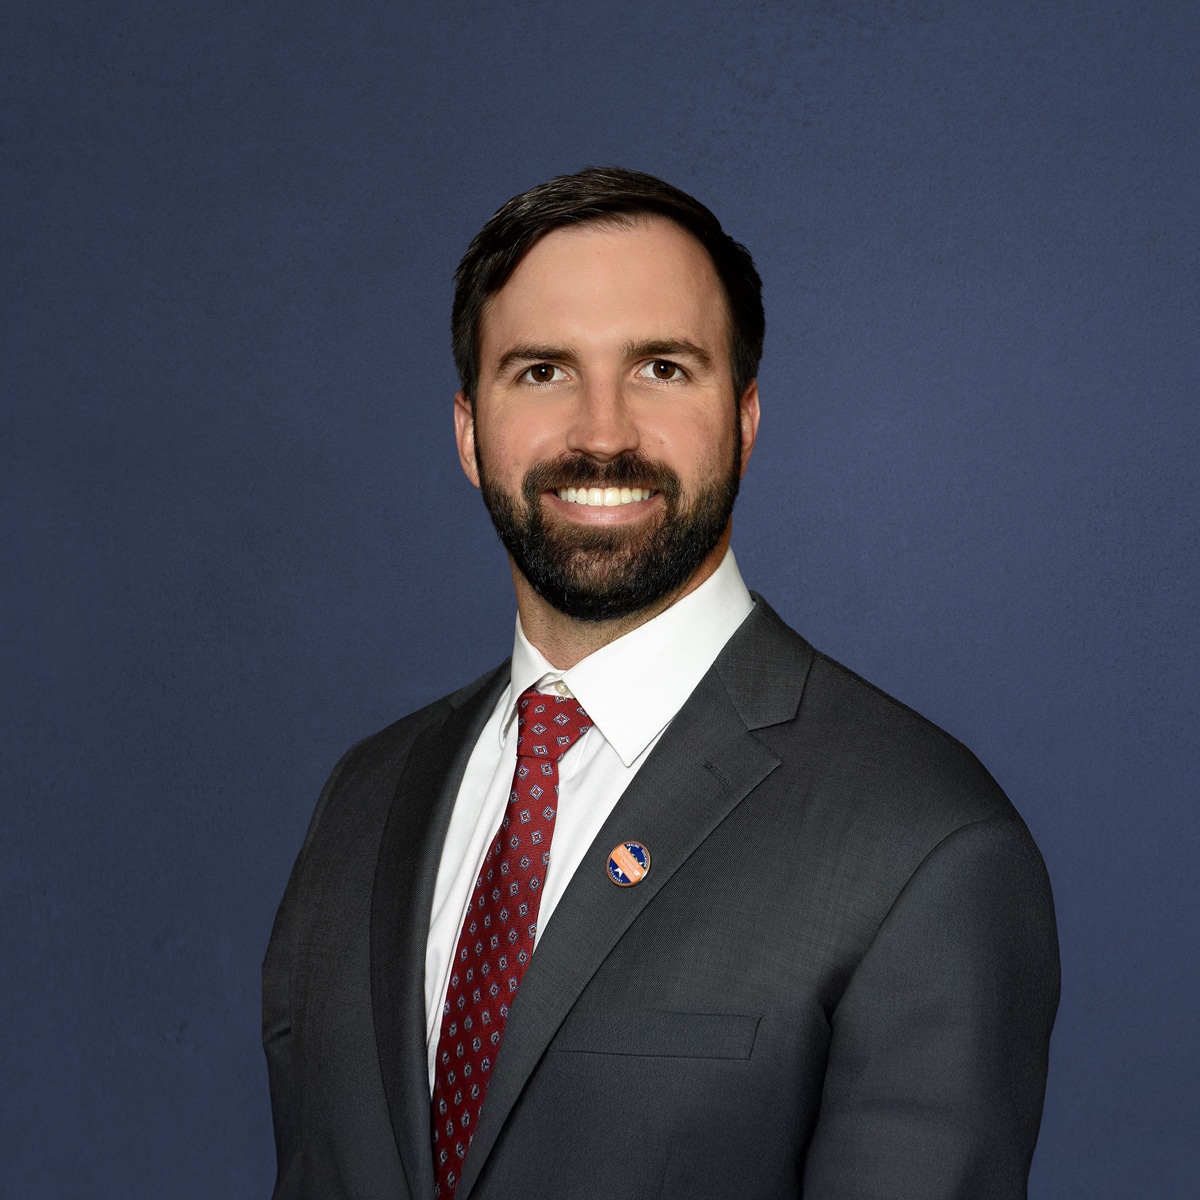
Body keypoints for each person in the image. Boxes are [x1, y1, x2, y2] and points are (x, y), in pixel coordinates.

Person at [262, 167, 1060, 1200]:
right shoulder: (362, 803)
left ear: (746, 416)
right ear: (469, 432)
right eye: (542, 371)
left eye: (661, 369)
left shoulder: (924, 845)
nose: (602, 432)